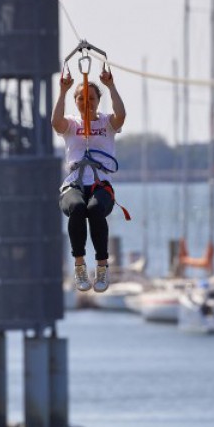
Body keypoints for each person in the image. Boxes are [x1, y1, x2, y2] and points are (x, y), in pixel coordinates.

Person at [51, 68, 126, 292]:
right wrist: (63, 91)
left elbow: (121, 115)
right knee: (77, 207)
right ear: (75, 102)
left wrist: (111, 86)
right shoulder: (71, 125)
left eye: (91, 98)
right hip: (74, 184)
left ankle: (102, 266)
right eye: (82, 98)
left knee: (94, 209)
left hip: (99, 185)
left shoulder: (106, 123)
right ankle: (80, 264)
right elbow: (56, 122)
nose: (87, 103)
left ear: (98, 101)